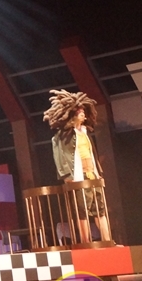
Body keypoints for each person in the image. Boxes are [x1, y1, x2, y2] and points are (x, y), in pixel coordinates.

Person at [44, 89, 111, 243]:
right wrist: (67, 175)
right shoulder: (64, 135)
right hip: (79, 176)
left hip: (92, 175)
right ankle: (86, 242)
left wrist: (98, 172)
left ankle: (107, 240)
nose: (82, 113)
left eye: (83, 111)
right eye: (79, 112)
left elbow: (91, 154)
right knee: (82, 211)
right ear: (72, 114)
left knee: (100, 209)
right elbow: (59, 154)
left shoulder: (85, 132)